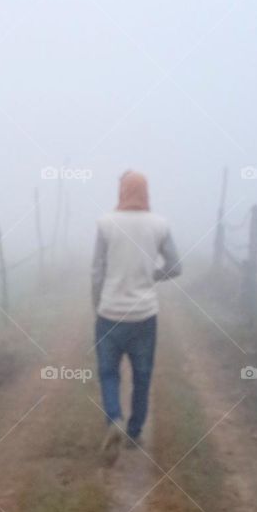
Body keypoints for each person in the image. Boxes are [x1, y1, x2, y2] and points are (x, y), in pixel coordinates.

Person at [91, 170, 181, 462]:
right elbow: (175, 266)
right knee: (142, 375)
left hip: (109, 312)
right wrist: (150, 275)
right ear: (146, 192)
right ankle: (134, 432)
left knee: (108, 373)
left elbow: (97, 271)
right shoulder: (160, 225)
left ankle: (114, 418)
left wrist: (98, 305)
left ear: (122, 191)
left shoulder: (105, 224)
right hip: (144, 315)